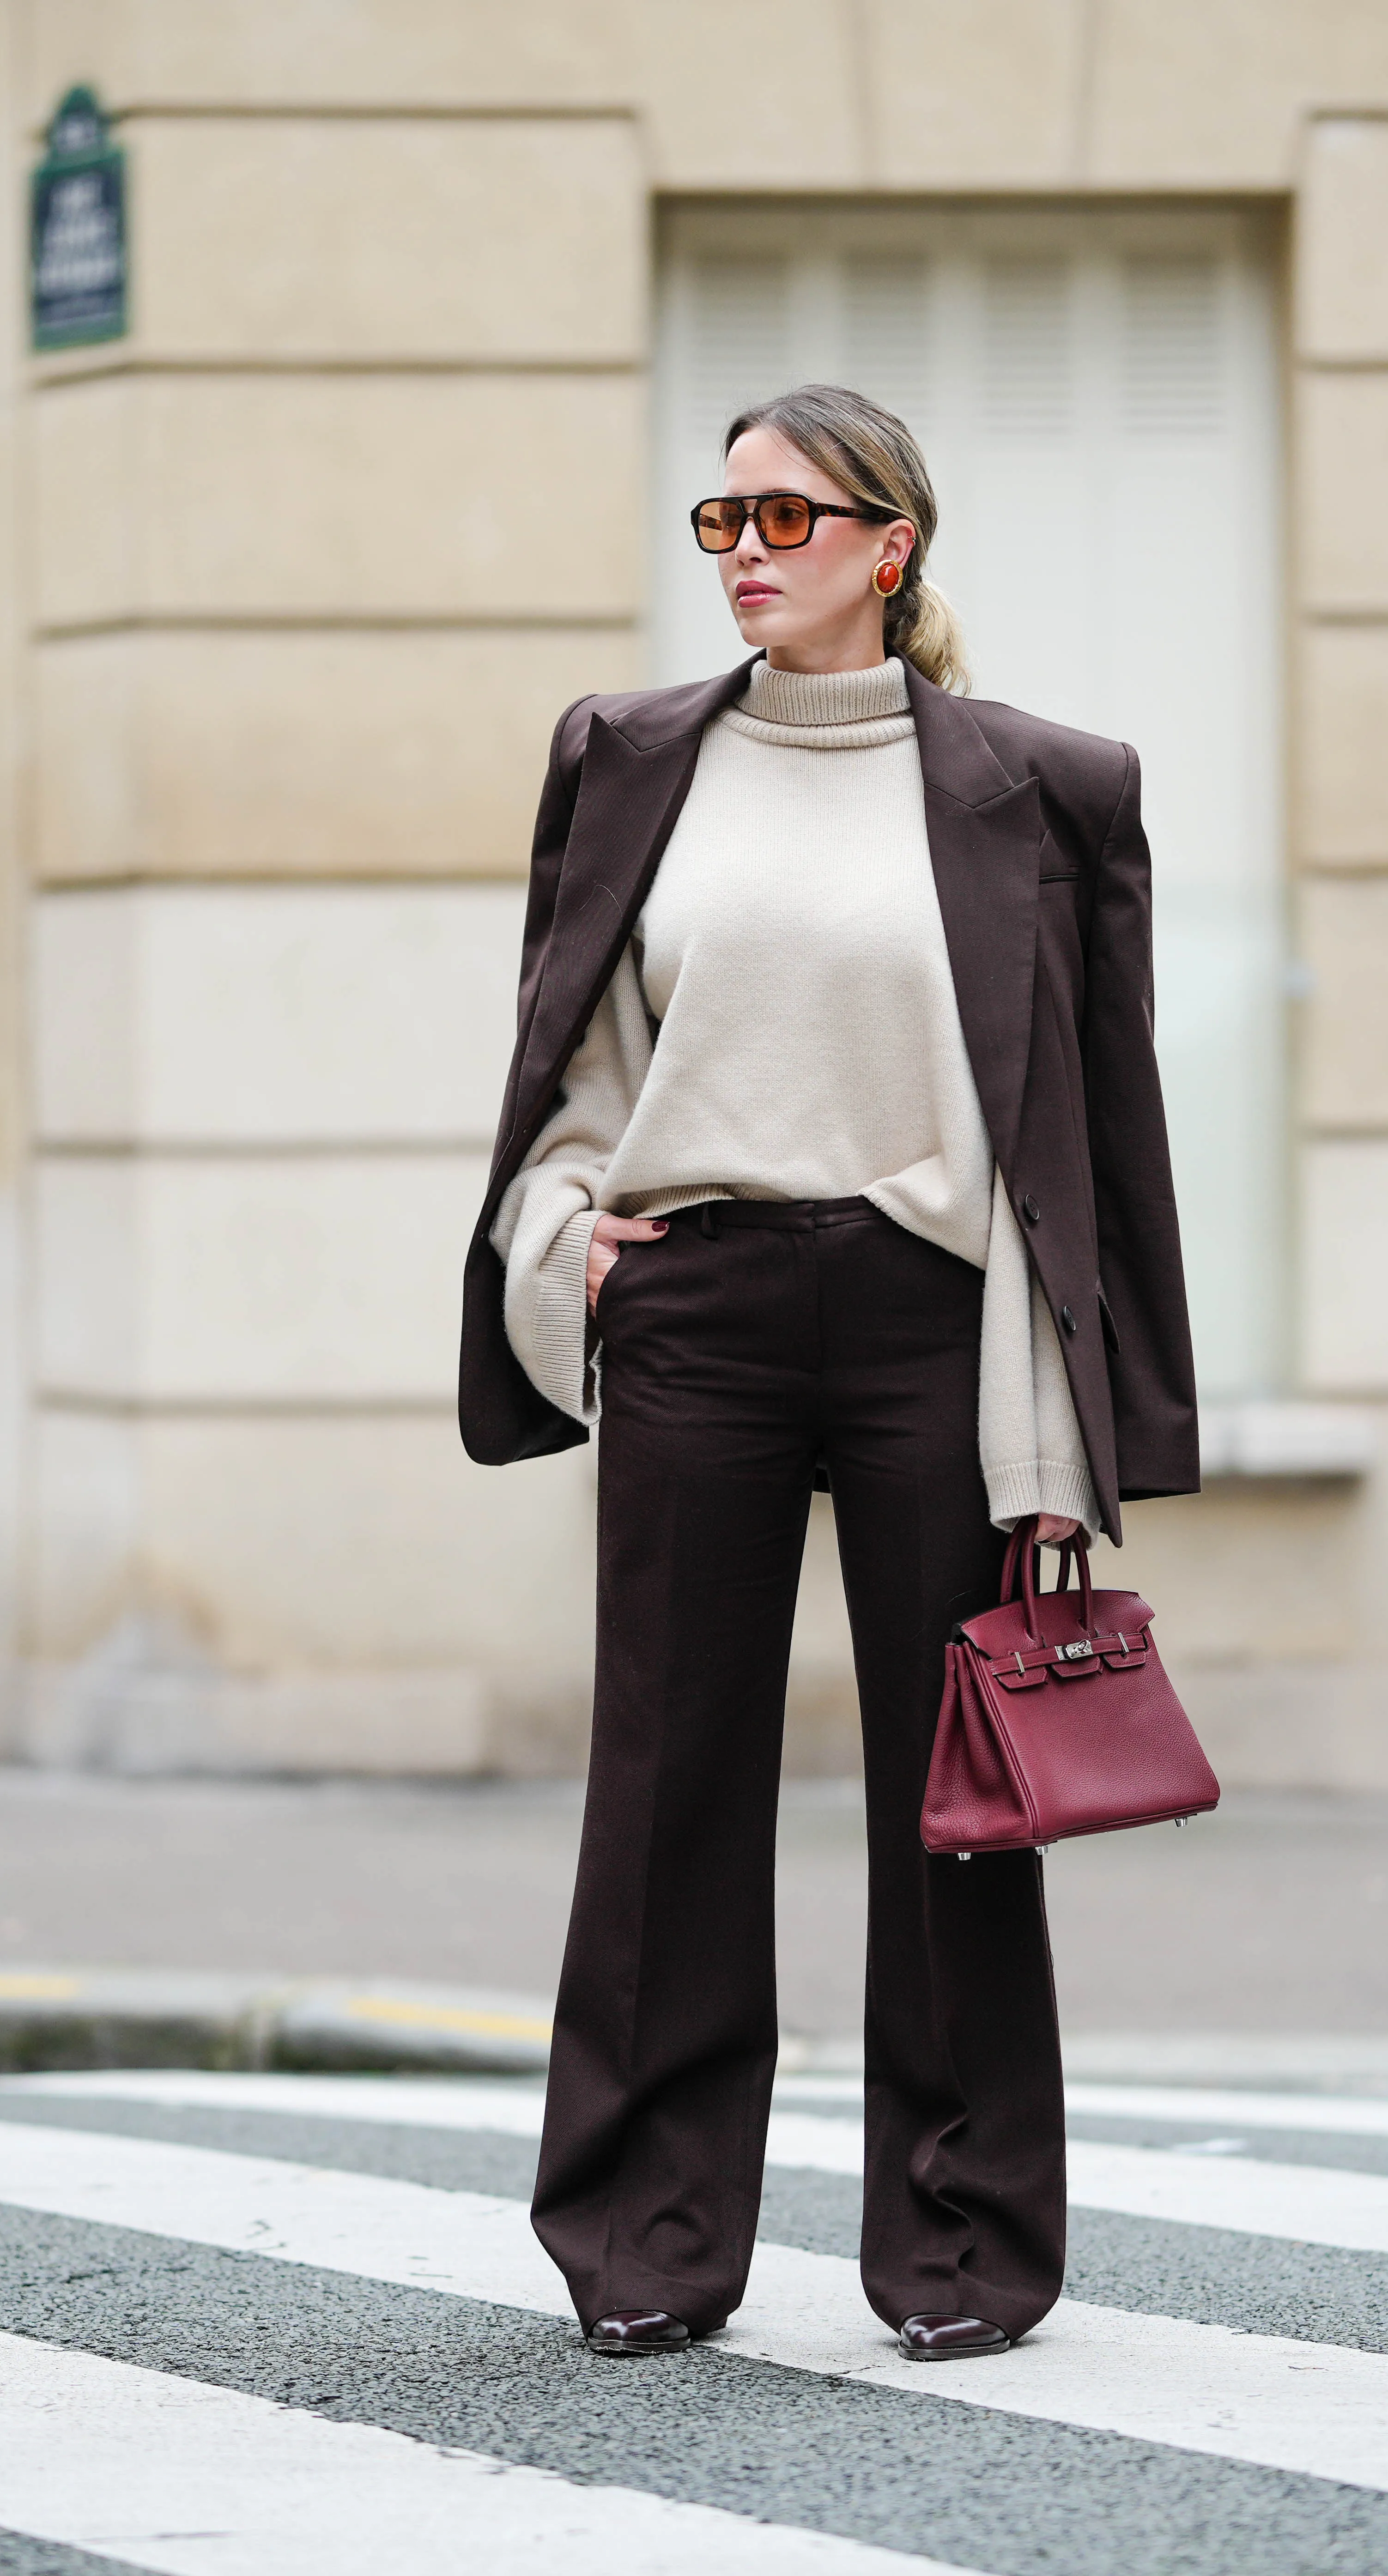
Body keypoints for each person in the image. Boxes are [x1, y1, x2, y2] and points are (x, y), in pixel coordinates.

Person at [457, 382, 1200, 2363]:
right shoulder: (628, 763)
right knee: (668, 1782)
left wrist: (1058, 1430)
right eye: (721, 522)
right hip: (691, 1299)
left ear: (894, 545)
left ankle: (959, 2244)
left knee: (954, 1800)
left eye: (789, 516)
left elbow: (1083, 1142)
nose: (748, 551)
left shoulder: (1039, 787)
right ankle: (644, 2236)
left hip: (919, 1312)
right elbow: (569, 1077)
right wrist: (564, 1242)